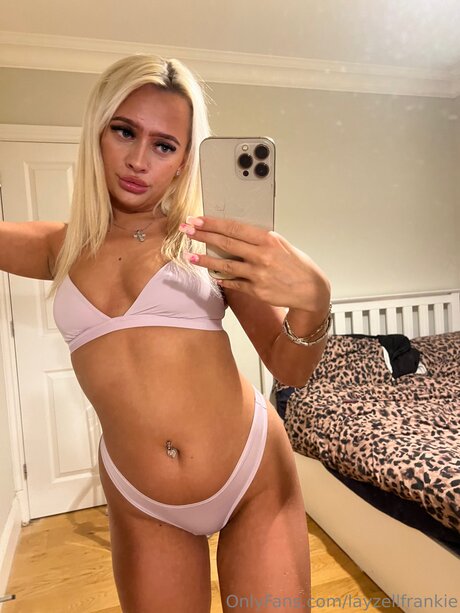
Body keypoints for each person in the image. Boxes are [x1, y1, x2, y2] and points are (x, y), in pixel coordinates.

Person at [1, 54, 331, 612]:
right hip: (142, 499)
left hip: (251, 473)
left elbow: (289, 365)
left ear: (183, 162)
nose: (138, 160)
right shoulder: (59, 247)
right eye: (124, 131)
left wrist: (315, 301)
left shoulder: (209, 241)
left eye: (164, 145)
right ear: (96, 133)